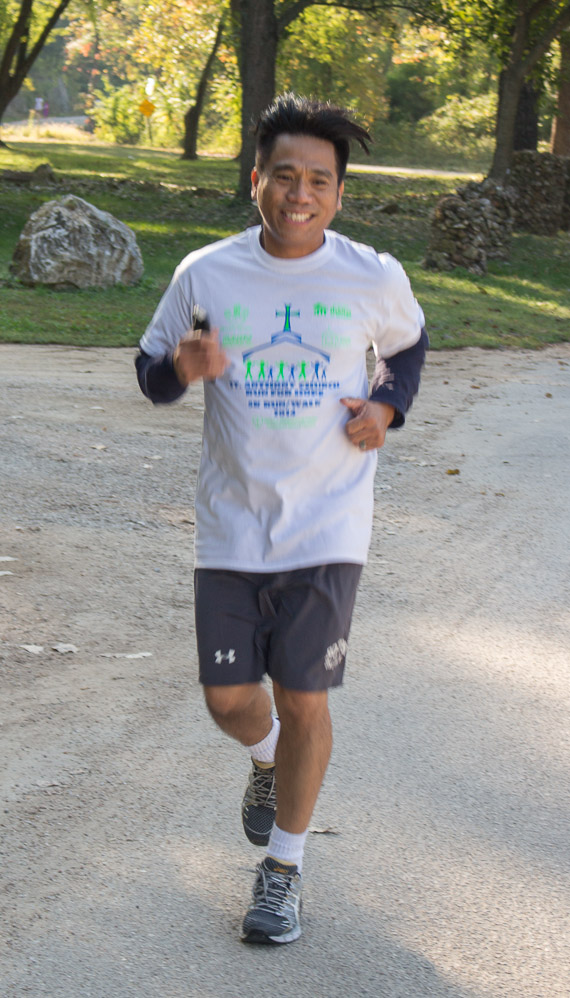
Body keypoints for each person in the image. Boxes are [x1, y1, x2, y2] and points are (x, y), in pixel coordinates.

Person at [135, 93, 428, 945]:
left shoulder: (370, 275)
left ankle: (284, 870)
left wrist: (385, 406)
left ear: (338, 193)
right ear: (257, 177)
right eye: (286, 175)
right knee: (228, 699)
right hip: (232, 525)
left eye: (319, 181)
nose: (301, 194)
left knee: (304, 698)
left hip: (328, 527)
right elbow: (151, 372)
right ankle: (266, 759)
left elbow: (407, 347)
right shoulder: (206, 272)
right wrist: (181, 369)